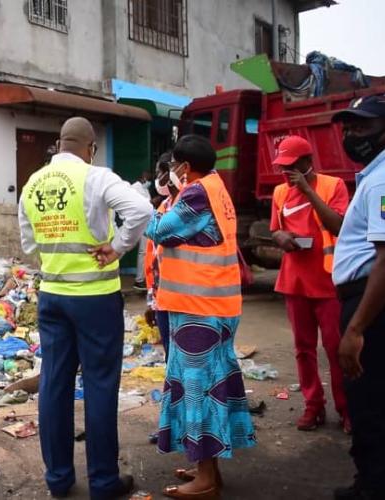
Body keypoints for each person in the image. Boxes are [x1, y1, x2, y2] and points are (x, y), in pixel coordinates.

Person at [18, 117, 151, 499]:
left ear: (60, 144)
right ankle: (103, 482)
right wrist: (119, 246)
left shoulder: (33, 183)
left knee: (54, 384)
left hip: (53, 296)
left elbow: (29, 245)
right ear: (90, 147)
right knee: (99, 386)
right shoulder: (97, 177)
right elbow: (141, 211)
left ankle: (58, 478)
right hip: (94, 298)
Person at [146, 135, 255, 499]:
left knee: (198, 393)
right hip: (209, 306)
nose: (172, 173)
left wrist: (155, 201)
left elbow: (158, 231)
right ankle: (207, 467)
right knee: (207, 386)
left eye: (174, 166)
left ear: (184, 167)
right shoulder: (215, 186)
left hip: (201, 309)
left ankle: (206, 480)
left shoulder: (194, 193)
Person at [269, 135, 350, 433]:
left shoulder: (333, 186)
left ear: (307, 163)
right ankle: (313, 405)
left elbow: (337, 224)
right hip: (295, 281)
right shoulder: (280, 192)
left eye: (291, 167)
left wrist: (307, 190)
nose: (285, 173)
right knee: (303, 349)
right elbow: (275, 228)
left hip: (328, 281)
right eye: (282, 167)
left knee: (336, 348)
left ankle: (346, 408)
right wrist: (280, 237)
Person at [329, 94, 385, 500]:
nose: (351, 135)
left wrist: (357, 328)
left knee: (368, 402)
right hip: (364, 298)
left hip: (369, 304)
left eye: (362, 127)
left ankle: (372, 486)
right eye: (348, 128)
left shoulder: (381, 179)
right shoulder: (372, 175)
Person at [144, 152, 179, 364]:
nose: (157, 177)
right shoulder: (163, 207)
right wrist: (152, 300)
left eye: (159, 172)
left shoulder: (185, 205)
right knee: (170, 354)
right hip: (162, 296)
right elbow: (152, 258)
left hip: (181, 297)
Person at [133, 171, 154, 291]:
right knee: (122, 249)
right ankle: (139, 280)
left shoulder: (144, 189)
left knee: (144, 251)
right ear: (144, 178)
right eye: (149, 179)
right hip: (137, 222)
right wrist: (152, 202)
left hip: (145, 223)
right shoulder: (135, 187)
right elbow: (140, 205)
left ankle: (140, 279)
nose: (149, 182)